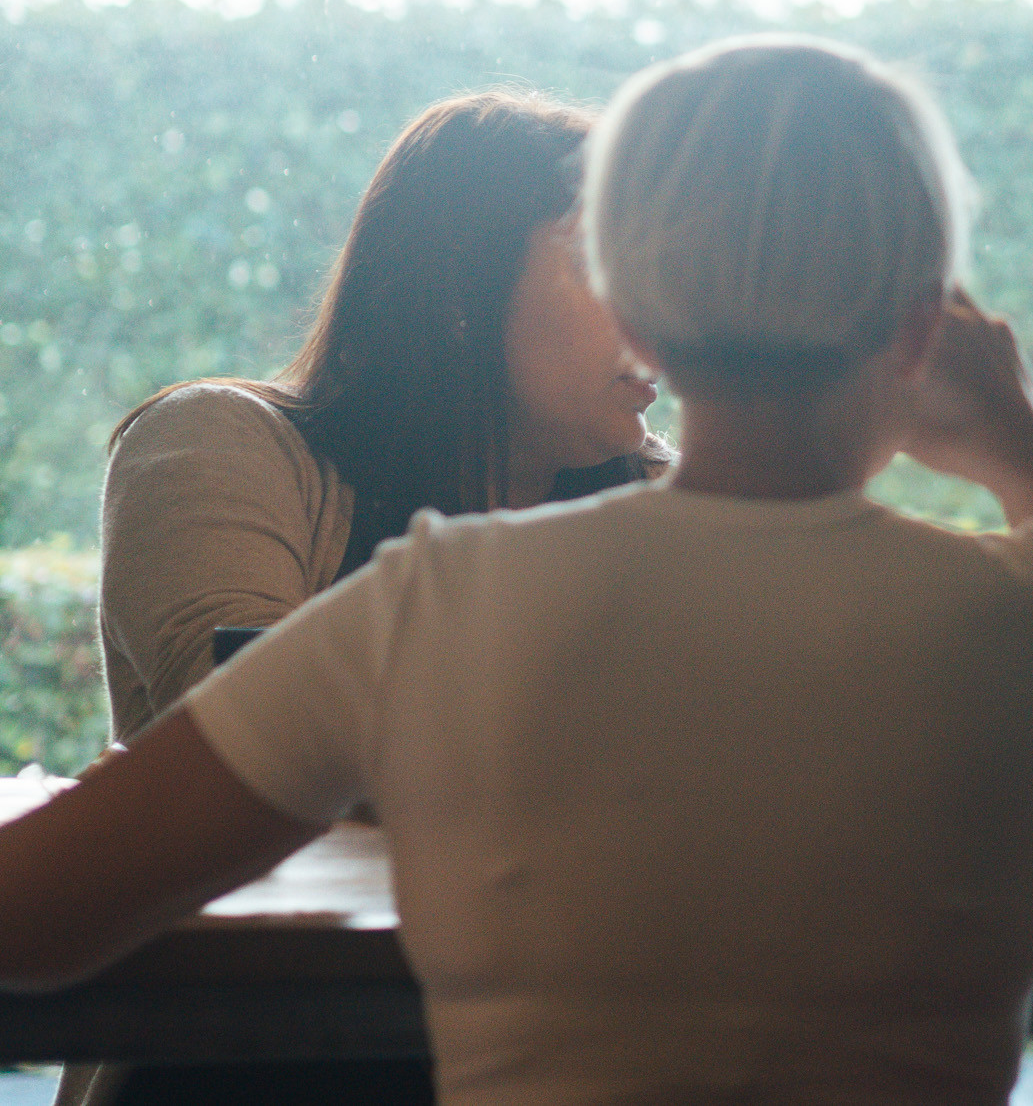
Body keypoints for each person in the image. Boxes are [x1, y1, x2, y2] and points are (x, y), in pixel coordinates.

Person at [0, 33, 1033, 1106]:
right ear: (920, 327)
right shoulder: (1030, 612)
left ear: (640, 312)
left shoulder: (442, 609)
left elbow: (32, 914)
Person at [100, 91, 668, 742]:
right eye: (607, 265)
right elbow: (256, 744)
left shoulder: (665, 494)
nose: (659, 317)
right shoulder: (213, 446)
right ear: (460, 287)